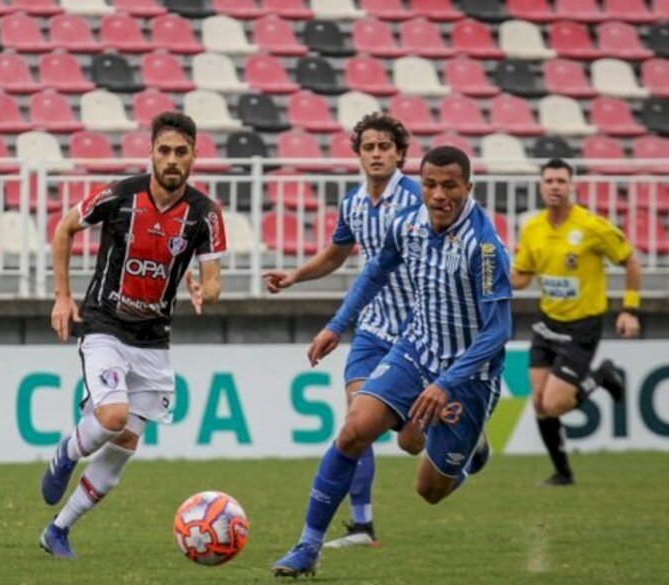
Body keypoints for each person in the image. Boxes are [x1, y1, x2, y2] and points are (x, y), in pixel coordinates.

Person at [272, 146, 512, 578]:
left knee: (430, 490)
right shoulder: (409, 225)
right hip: (415, 350)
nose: (438, 195)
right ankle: (308, 548)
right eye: (430, 184)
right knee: (353, 431)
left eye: (449, 186)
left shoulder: (486, 249)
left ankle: (472, 446)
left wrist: (446, 383)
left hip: (468, 376)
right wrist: (336, 325)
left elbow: (498, 333)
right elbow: (375, 272)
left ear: (468, 188)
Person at [39, 111, 226, 558]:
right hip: (105, 326)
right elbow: (64, 229)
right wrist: (62, 297)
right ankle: (66, 452)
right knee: (112, 418)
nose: (172, 160)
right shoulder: (120, 195)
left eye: (181, 152)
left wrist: (204, 289)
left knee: (124, 445)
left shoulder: (206, 215)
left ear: (194, 156)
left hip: (154, 342)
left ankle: (58, 531)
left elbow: (215, 283)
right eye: (164, 151)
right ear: (151, 153)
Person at [263, 112, 424, 549]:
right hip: (373, 328)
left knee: (412, 442)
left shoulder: (417, 199)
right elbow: (336, 255)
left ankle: (465, 437)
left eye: (384, 147)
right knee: (357, 421)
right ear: (358, 153)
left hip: (419, 332)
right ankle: (362, 525)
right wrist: (294, 276)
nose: (376, 154)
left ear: (399, 154)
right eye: (368, 147)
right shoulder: (353, 203)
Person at [511, 159, 640, 487]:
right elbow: (523, 277)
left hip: (582, 325)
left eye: (560, 181)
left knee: (555, 403)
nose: (554, 186)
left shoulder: (592, 227)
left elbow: (630, 260)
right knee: (540, 402)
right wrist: (494, 275)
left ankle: (602, 375)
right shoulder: (533, 227)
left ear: (572, 187)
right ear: (541, 187)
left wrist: (629, 309)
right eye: (549, 180)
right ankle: (563, 473)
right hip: (546, 322)